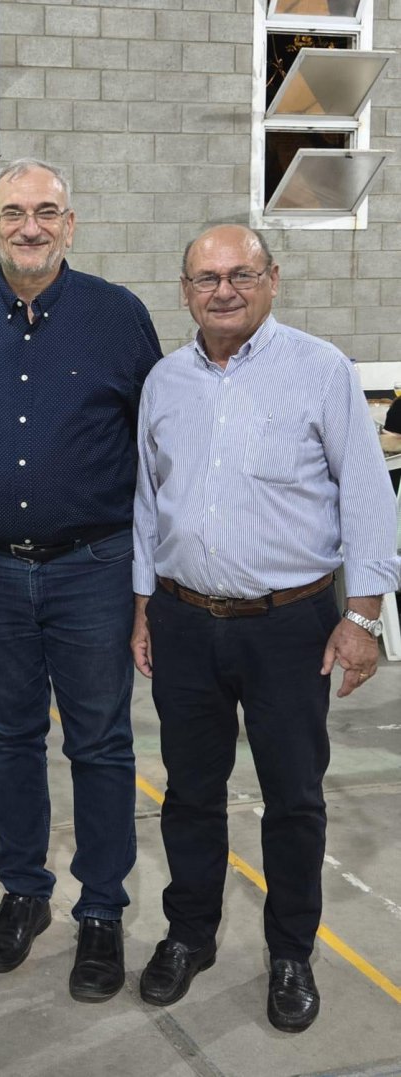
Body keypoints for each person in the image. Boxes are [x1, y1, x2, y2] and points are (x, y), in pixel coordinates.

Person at [131, 224, 401, 1033]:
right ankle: (189, 934)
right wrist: (144, 604)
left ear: (272, 280)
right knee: (189, 792)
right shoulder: (164, 381)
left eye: (240, 274)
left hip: (291, 626)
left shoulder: (320, 371)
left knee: (293, 797)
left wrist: (363, 617)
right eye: (206, 277)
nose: (224, 289)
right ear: (185, 290)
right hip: (183, 619)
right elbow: (150, 500)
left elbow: (366, 497)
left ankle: (290, 951)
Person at [0, 158, 162, 1002]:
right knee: (12, 737)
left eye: (47, 212)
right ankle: (24, 893)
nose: (30, 226)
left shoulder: (119, 317)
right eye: (13, 212)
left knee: (100, 743)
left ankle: (101, 910)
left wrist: (149, 580)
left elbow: (153, 448)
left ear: (72, 224)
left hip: (93, 568)